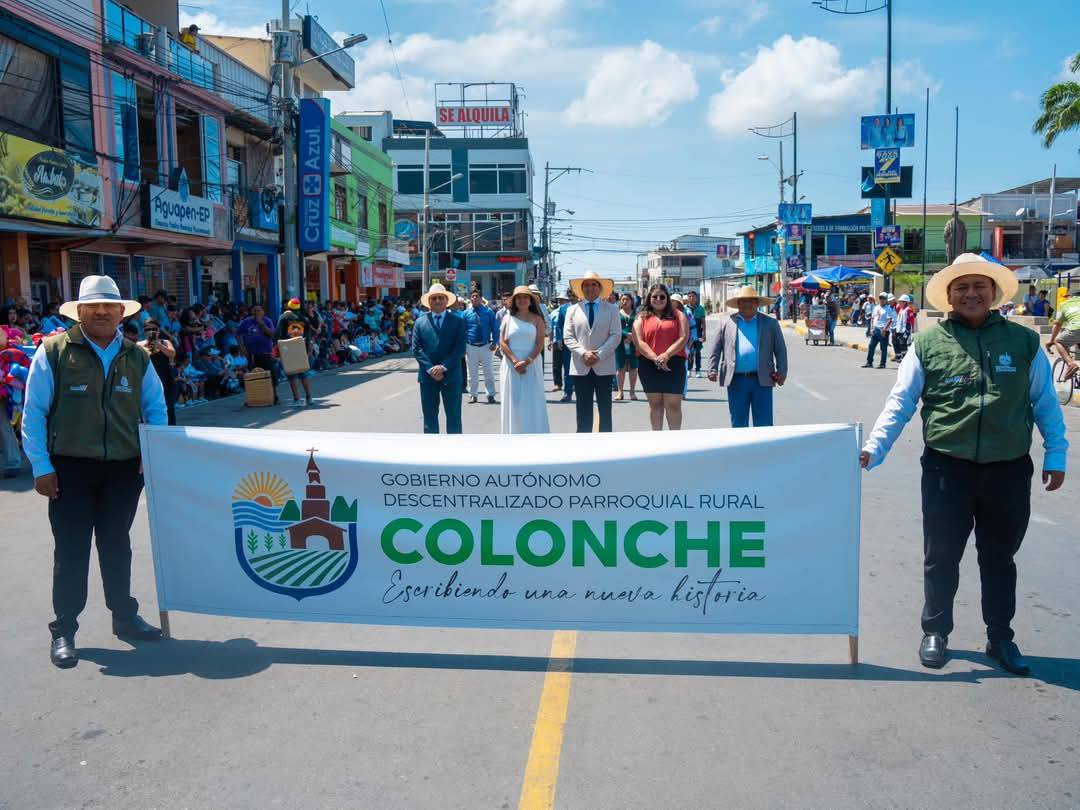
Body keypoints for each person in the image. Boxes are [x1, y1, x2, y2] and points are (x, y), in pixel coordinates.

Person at [860, 254, 1068, 675]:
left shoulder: (1023, 342)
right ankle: (936, 631)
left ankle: (1000, 637)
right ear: (950, 296)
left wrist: (1056, 453)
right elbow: (901, 402)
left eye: (979, 286)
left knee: (1000, 557)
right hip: (946, 469)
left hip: (1008, 469)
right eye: (962, 288)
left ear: (993, 292)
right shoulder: (928, 344)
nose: (971, 294)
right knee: (941, 555)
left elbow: (1044, 401)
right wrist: (874, 448)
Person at [21, 276, 167, 669]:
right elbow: (33, 413)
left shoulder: (137, 356)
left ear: (121, 312)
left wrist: (153, 454)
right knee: (71, 550)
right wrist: (41, 466)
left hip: (123, 469)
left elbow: (155, 407)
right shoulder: (53, 352)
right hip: (69, 469)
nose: (101, 312)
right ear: (79, 312)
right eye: (93, 307)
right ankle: (64, 629)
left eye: (109, 307)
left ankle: (124, 616)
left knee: (117, 544)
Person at [706, 285, 788, 428]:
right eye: (744, 301)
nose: (747, 304)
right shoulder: (726, 322)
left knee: (764, 424)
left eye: (751, 301)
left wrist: (782, 372)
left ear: (757, 303)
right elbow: (716, 348)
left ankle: (764, 443)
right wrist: (712, 368)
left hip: (762, 380)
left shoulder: (770, 323)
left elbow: (780, 350)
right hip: (736, 380)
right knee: (738, 423)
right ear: (738, 304)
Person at [562, 271, 621, 433]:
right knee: (583, 410)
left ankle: (605, 442)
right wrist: (583, 353)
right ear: (581, 289)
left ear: (600, 288)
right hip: (581, 365)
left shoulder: (612, 309)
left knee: (605, 410)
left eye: (594, 284)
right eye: (586, 285)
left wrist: (599, 354)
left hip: (604, 365)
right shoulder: (572, 310)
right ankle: (583, 442)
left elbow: (616, 335)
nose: (590, 288)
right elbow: (568, 337)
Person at [412, 283, 466, 434]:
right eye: (434, 298)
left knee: (454, 416)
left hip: (452, 375)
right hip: (427, 377)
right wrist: (430, 369)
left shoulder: (457, 321)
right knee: (429, 418)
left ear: (446, 301)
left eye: (440, 298)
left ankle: (454, 447)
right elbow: (417, 349)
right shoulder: (420, 322)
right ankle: (431, 448)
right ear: (428, 301)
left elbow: (460, 348)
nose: (437, 301)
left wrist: (443, 367)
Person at [634, 284, 688, 430]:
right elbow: (639, 341)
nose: (658, 299)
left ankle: (674, 440)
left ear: (667, 298)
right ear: (649, 298)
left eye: (662, 296)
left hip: (674, 364)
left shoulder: (678, 315)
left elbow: (683, 337)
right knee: (655, 405)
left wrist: (666, 355)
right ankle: (657, 439)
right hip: (648, 364)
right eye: (655, 296)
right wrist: (655, 358)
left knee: (673, 404)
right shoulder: (641, 317)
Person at [498, 286, 550, 434]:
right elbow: (502, 342)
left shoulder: (538, 319)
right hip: (511, 365)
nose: (522, 300)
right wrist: (515, 361)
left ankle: (534, 434)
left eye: (525, 297)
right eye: (519, 298)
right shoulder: (507, 317)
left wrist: (527, 362)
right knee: (514, 401)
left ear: (530, 300)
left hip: (532, 364)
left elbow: (539, 344)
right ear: (514, 301)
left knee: (532, 400)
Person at [138, 318, 178, 425]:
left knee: (168, 406)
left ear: (159, 330)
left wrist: (160, 346)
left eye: (154, 329)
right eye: (148, 329)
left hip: (165, 379)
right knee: (147, 406)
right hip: (148, 380)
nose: (151, 331)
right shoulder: (139, 345)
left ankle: (170, 430)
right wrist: (145, 348)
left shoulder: (165, 342)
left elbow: (172, 353)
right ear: (144, 331)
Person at [275, 299, 314, 406]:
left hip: (287, 348)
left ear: (288, 307)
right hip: (301, 348)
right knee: (303, 374)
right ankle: (309, 398)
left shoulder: (284, 318)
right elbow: (309, 337)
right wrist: (309, 350)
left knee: (292, 375)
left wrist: (278, 350)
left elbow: (277, 334)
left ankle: (297, 399)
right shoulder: (305, 319)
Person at [463, 289, 498, 405]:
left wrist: (495, 342)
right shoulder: (466, 313)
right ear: (470, 299)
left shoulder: (488, 312)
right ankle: (473, 395)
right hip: (470, 346)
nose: (474, 298)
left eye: (477, 296)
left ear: (481, 298)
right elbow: (462, 330)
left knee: (488, 372)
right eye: (472, 296)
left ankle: (491, 395)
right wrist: (463, 347)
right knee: (472, 373)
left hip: (486, 346)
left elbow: (495, 328)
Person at [1047, 288, 1080, 377]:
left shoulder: (1065, 304)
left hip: (1076, 328)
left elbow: (1057, 324)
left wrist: (1051, 341)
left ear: (1070, 296)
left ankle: (1071, 364)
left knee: (1058, 341)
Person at [554, 289, 578, 403]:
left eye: (574, 295)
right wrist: (559, 340)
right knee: (568, 368)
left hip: (581, 343)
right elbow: (559, 326)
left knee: (581, 368)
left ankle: (582, 392)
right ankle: (567, 393)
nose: (572, 297)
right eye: (570, 295)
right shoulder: (564, 308)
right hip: (567, 343)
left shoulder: (583, 307)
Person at [615, 293, 639, 401]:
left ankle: (632, 392)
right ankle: (620, 391)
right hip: (620, 343)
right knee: (620, 368)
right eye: (622, 299)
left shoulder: (637, 314)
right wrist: (625, 334)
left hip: (634, 343)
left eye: (627, 299)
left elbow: (641, 327)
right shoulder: (616, 313)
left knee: (633, 368)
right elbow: (613, 328)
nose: (624, 301)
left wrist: (632, 336)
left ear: (631, 301)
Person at [863, 292, 896, 369]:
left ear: (886, 300)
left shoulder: (888, 309)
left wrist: (884, 329)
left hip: (883, 330)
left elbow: (890, 320)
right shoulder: (876, 307)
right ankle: (869, 362)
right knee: (871, 346)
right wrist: (871, 328)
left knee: (883, 348)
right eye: (880, 298)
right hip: (876, 329)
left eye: (883, 298)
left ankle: (882, 363)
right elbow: (872, 318)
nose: (881, 300)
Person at [685, 291, 706, 378]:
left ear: (696, 298)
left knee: (697, 352)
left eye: (693, 296)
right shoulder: (685, 309)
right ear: (687, 298)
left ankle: (698, 370)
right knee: (689, 352)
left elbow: (703, 322)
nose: (691, 298)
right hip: (688, 334)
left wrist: (704, 334)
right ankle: (689, 369)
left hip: (698, 334)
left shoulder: (700, 309)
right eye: (689, 296)